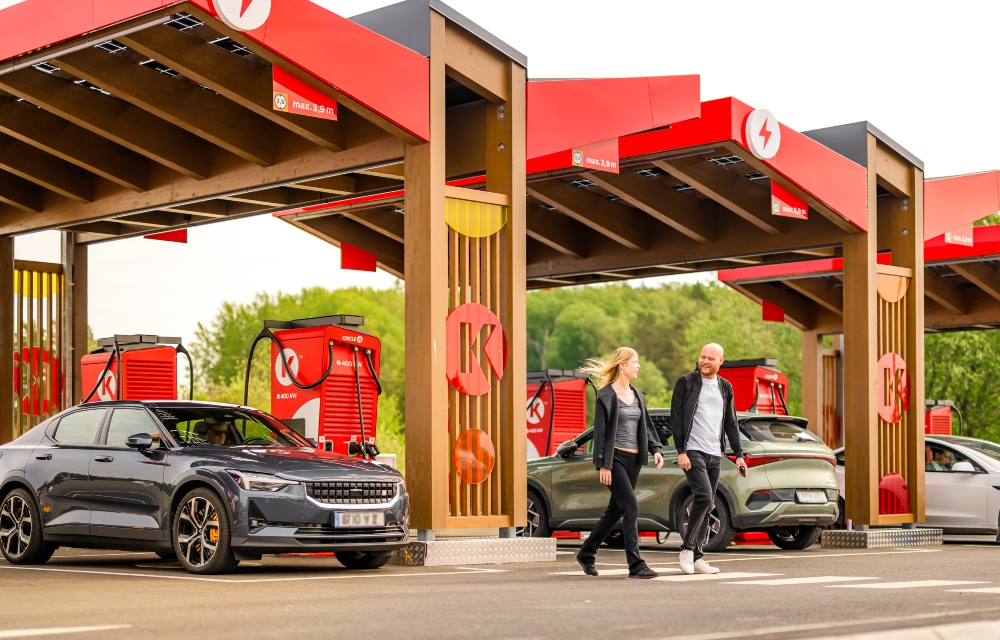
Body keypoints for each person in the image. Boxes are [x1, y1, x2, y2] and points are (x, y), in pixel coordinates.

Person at [575, 347, 664, 579]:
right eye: (635, 362)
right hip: (615, 460)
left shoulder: (638, 395)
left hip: (634, 460)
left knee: (614, 512)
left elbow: (646, 426)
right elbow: (601, 433)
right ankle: (636, 565)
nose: (638, 366)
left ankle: (586, 552)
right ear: (622, 365)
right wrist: (603, 464)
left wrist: (655, 449)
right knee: (631, 506)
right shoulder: (606, 396)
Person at [670, 343, 748, 575]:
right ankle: (686, 550)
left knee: (708, 502)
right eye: (702, 357)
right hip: (693, 451)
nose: (704, 361)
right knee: (703, 497)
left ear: (720, 361)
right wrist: (681, 451)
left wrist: (739, 455)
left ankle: (697, 557)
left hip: (715, 453)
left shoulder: (725, 387)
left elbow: (731, 423)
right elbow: (676, 418)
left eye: (710, 358)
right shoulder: (685, 383)